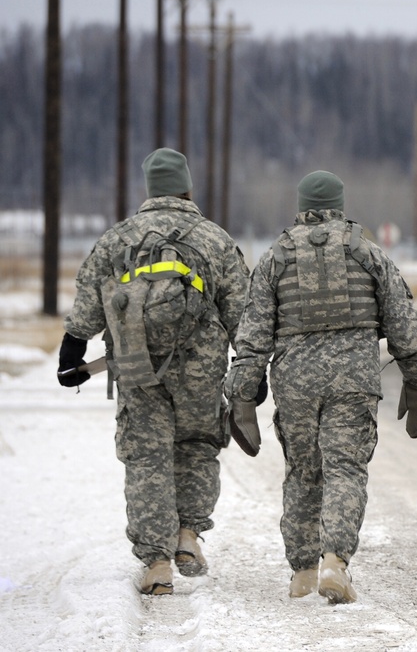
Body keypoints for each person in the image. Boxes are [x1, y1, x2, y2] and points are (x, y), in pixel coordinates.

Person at [223, 170, 417, 604]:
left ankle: (301, 571)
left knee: (303, 471)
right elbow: (403, 324)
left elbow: (253, 335)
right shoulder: (367, 252)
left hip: (295, 380)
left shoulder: (275, 258)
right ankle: (334, 562)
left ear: (301, 206)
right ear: (340, 202)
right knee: (345, 469)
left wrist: (242, 394)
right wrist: (416, 378)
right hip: (353, 376)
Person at [58, 148, 252, 595]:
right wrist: (249, 369)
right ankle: (187, 535)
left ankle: (157, 563)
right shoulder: (215, 239)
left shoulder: (118, 238)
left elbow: (90, 299)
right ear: (187, 187)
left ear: (149, 190)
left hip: (135, 363)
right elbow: (242, 313)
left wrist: (73, 350)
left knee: (147, 458)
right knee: (198, 447)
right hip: (201, 366)